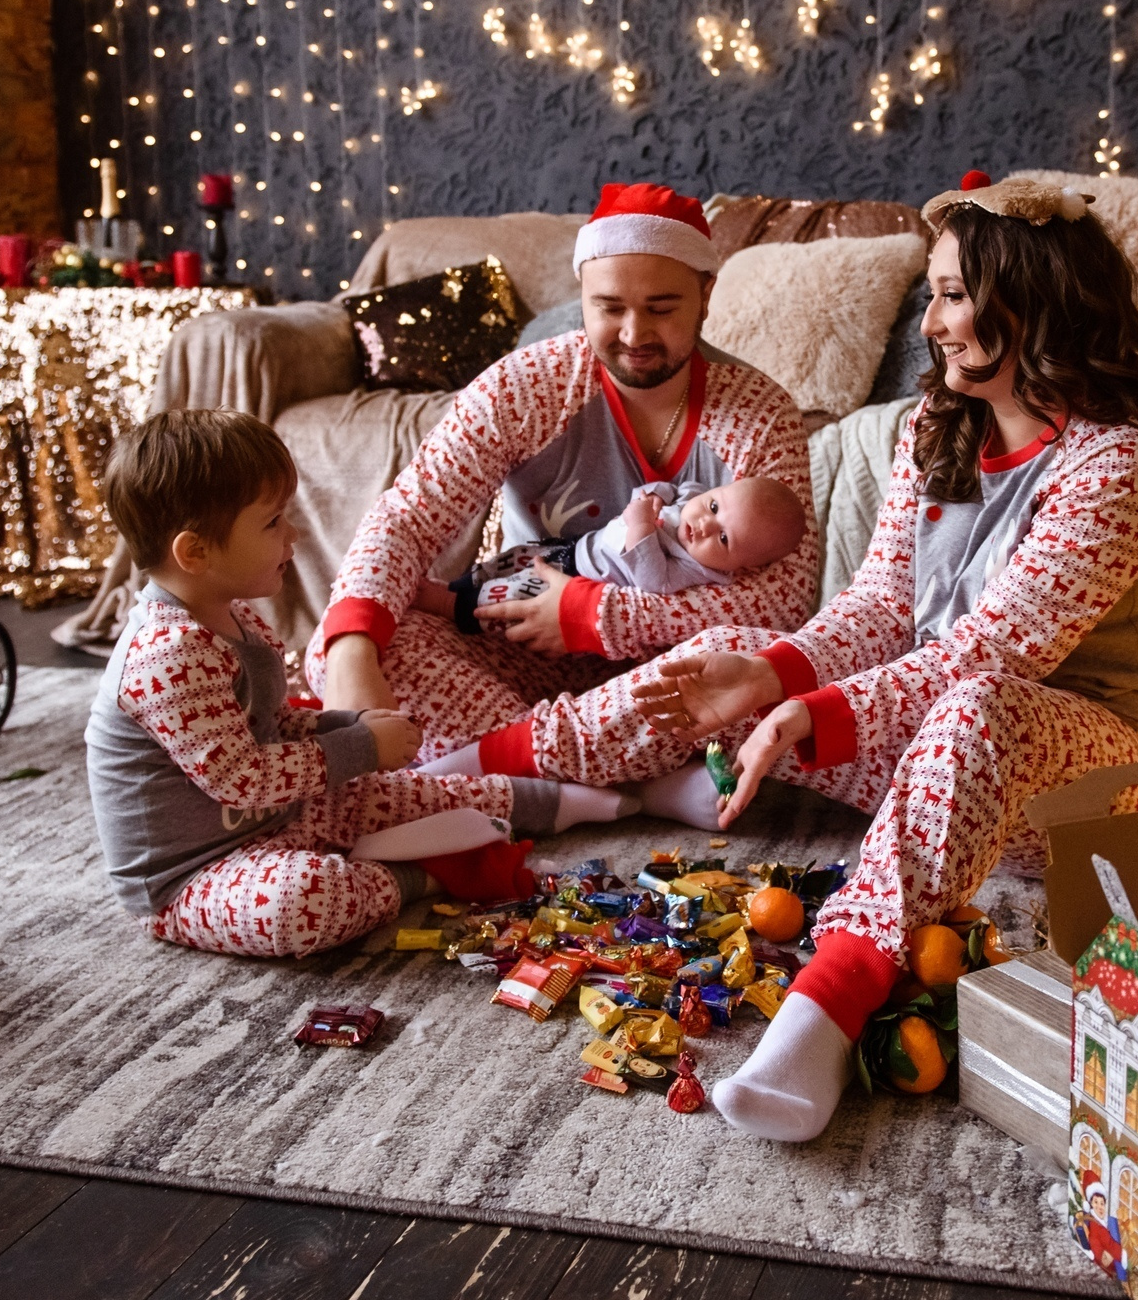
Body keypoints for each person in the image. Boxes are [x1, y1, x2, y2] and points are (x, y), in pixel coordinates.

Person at [506, 170, 1138, 1141]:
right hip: (938, 755)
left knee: (975, 703)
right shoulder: (941, 427)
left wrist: (816, 709)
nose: (933, 321)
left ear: (1039, 299)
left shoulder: (1121, 462)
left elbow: (992, 650)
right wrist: (771, 675)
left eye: (956, 293)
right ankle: (488, 777)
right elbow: (884, 606)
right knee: (726, 649)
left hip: (1115, 782)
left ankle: (827, 1009)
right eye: (935, 292)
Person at [83, 410, 633, 960]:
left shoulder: (231, 617)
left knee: (410, 791)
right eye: (273, 523)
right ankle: (420, 874)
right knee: (303, 901)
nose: (292, 534)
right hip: (195, 873)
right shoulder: (166, 655)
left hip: (282, 817)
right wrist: (360, 746)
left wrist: (347, 724)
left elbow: (270, 727)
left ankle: (577, 804)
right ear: (195, 553)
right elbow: (243, 778)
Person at [311, 182, 817, 770]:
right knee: (351, 638)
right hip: (523, 654)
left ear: (706, 295)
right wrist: (352, 657)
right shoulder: (528, 385)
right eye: (609, 307)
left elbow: (784, 602)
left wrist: (591, 616)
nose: (634, 335)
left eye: (661, 308)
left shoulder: (762, 414)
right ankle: (610, 777)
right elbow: (410, 517)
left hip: (672, 680)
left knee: (756, 659)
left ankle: (510, 768)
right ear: (581, 293)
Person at [415, 475, 809, 635]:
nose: (705, 525)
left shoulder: (701, 570)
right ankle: (460, 583)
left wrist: (640, 526)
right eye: (715, 508)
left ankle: (449, 603)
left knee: (510, 596)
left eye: (724, 539)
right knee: (511, 560)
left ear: (744, 567)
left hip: (575, 581)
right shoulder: (693, 496)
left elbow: (654, 581)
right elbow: (676, 488)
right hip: (577, 545)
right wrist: (655, 494)